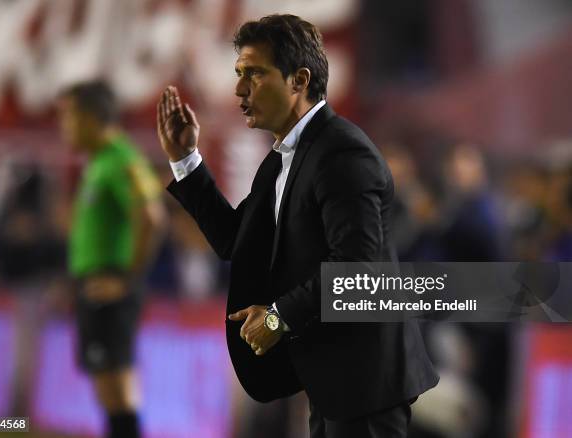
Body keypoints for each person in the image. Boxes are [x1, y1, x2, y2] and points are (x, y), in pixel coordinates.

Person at [157, 15, 438, 437]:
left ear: (299, 80)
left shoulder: (343, 153)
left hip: (365, 379)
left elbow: (357, 267)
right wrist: (186, 161)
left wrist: (277, 317)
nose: (239, 89)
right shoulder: (282, 158)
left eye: (254, 74)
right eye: (238, 74)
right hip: (330, 376)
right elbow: (236, 240)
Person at [58, 80, 165, 438]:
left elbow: (151, 217)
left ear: (90, 118)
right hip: (94, 285)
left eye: (69, 116)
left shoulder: (122, 160)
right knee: (109, 393)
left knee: (117, 391)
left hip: (111, 286)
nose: (64, 127)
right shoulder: (100, 161)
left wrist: (127, 280)